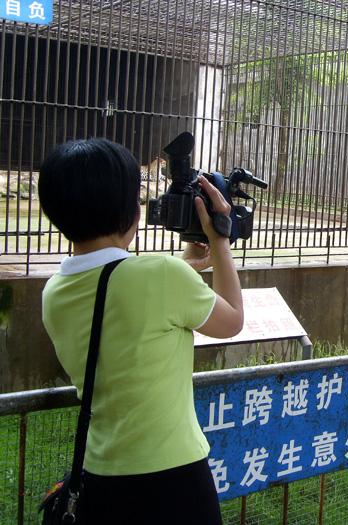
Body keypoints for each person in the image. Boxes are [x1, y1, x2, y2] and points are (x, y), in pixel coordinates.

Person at [38, 138, 244, 524]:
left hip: (100, 479)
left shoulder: (53, 293)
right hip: (174, 480)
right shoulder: (161, 275)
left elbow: (125, 295)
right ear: (131, 210)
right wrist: (220, 238)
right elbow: (231, 320)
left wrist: (187, 264)